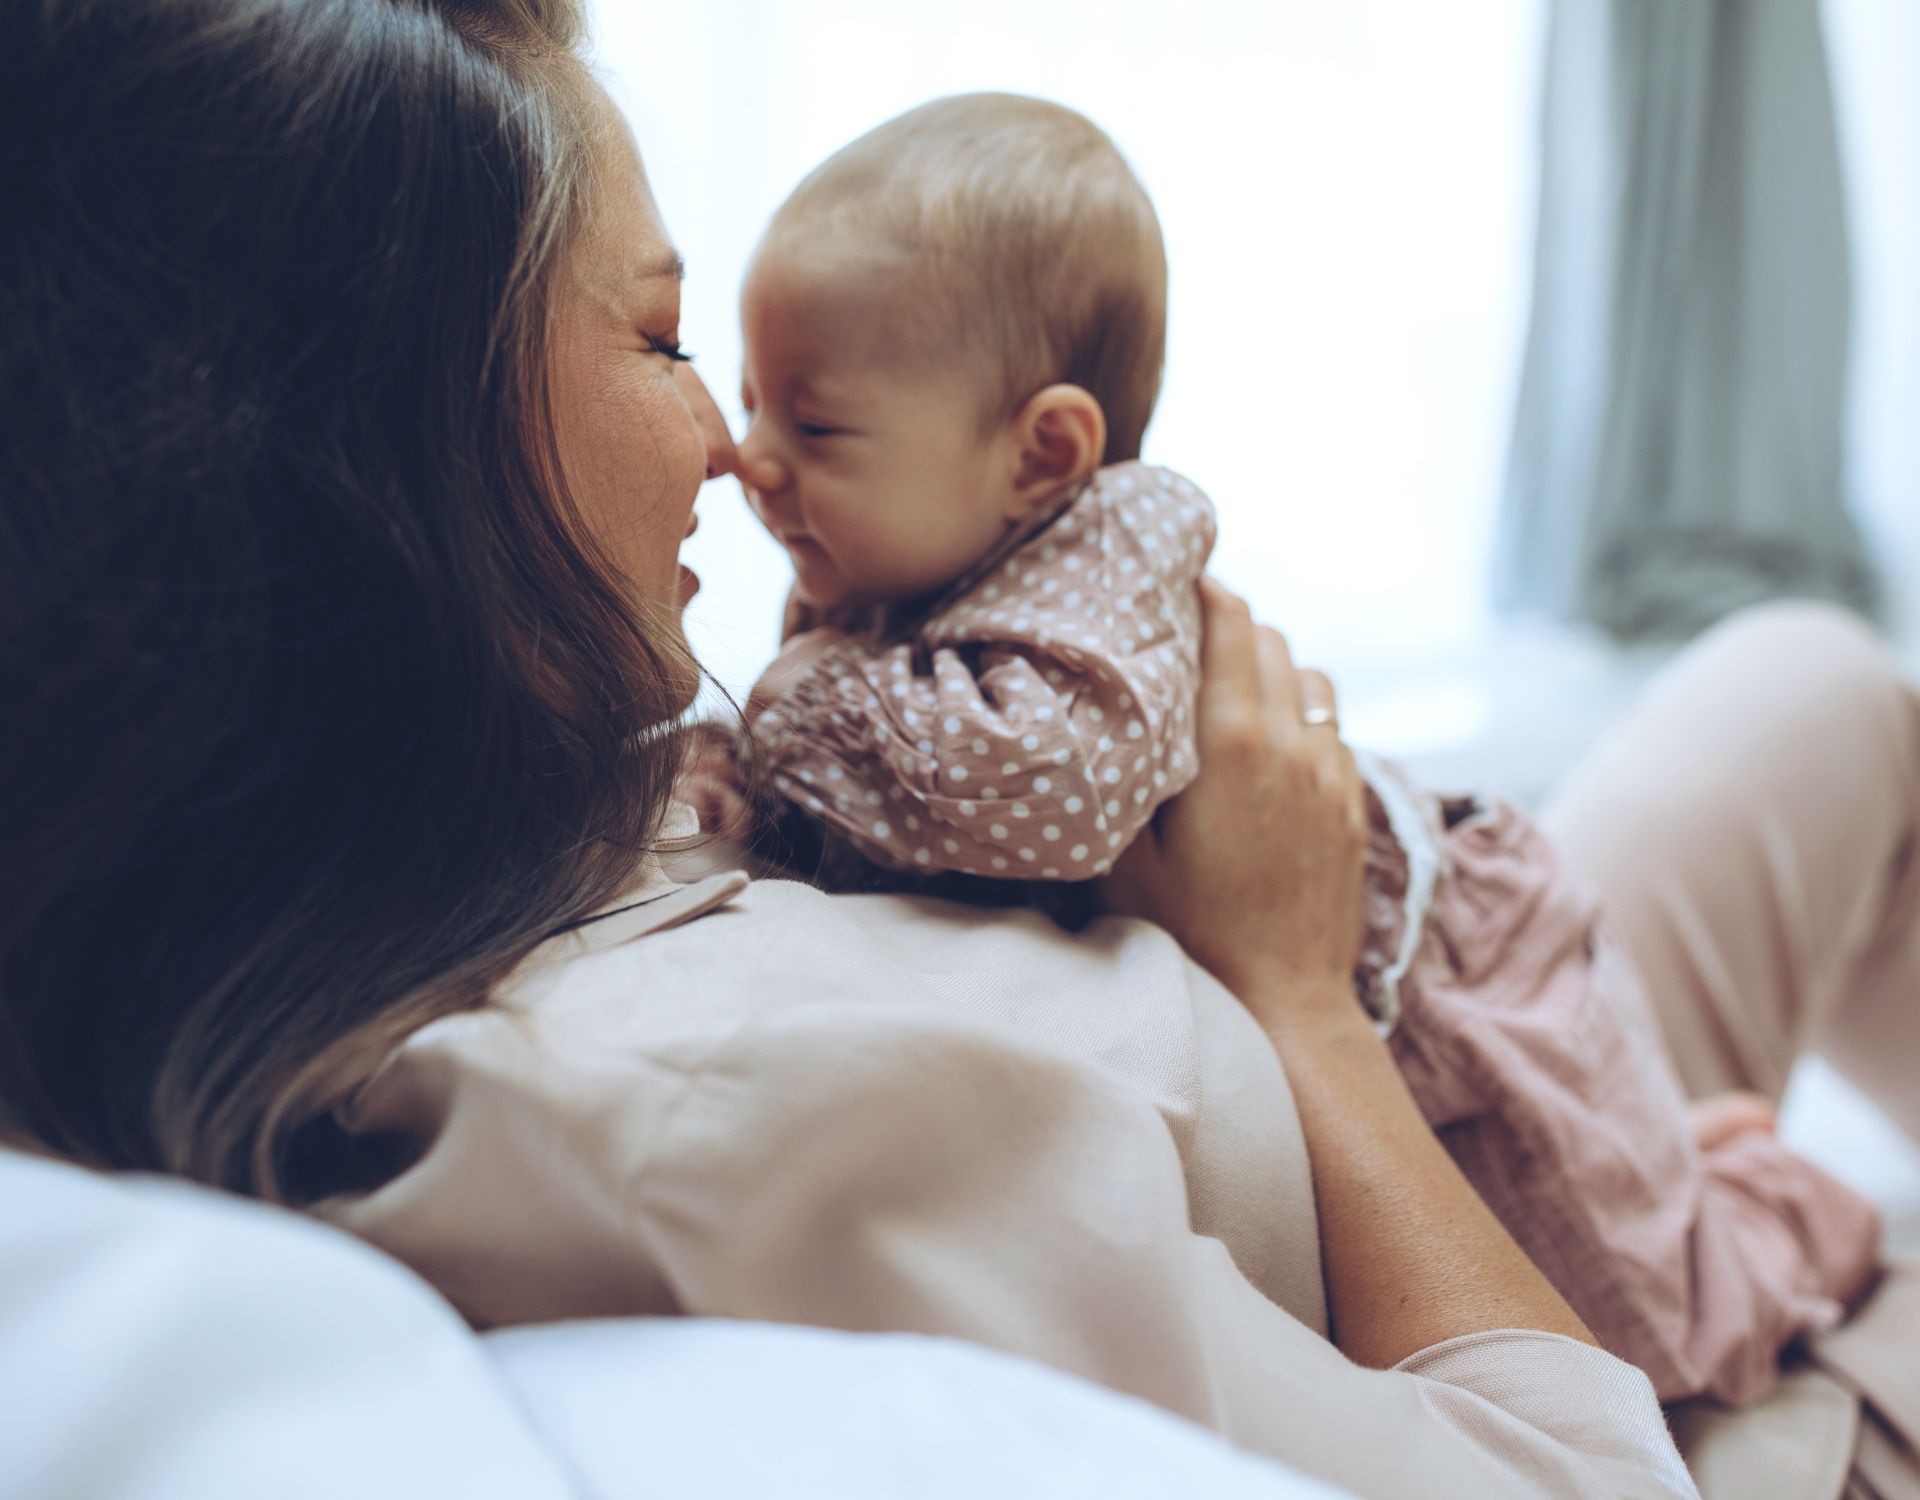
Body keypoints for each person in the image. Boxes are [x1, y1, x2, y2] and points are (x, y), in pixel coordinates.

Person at [0, 2, 1907, 1496]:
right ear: (389, 465)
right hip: (1589, 1317)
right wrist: (1299, 987)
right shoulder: (698, 1125)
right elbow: (1574, 1481)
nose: (726, 456)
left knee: (1823, 679)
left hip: (1469, 1060)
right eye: (668, 347)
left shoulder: (466, 804)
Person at [693, 92, 1877, 1406]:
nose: (747, 460)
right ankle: (1673, 1151)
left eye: (813, 425)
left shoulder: (1115, 539)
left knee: (1658, 1322)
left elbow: (1057, 796)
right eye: (747, 399)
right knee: (1624, 1162)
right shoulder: (897, 578)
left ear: (1044, 451)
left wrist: (786, 709)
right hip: (1390, 1015)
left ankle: (1780, 1206)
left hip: (1447, 995)